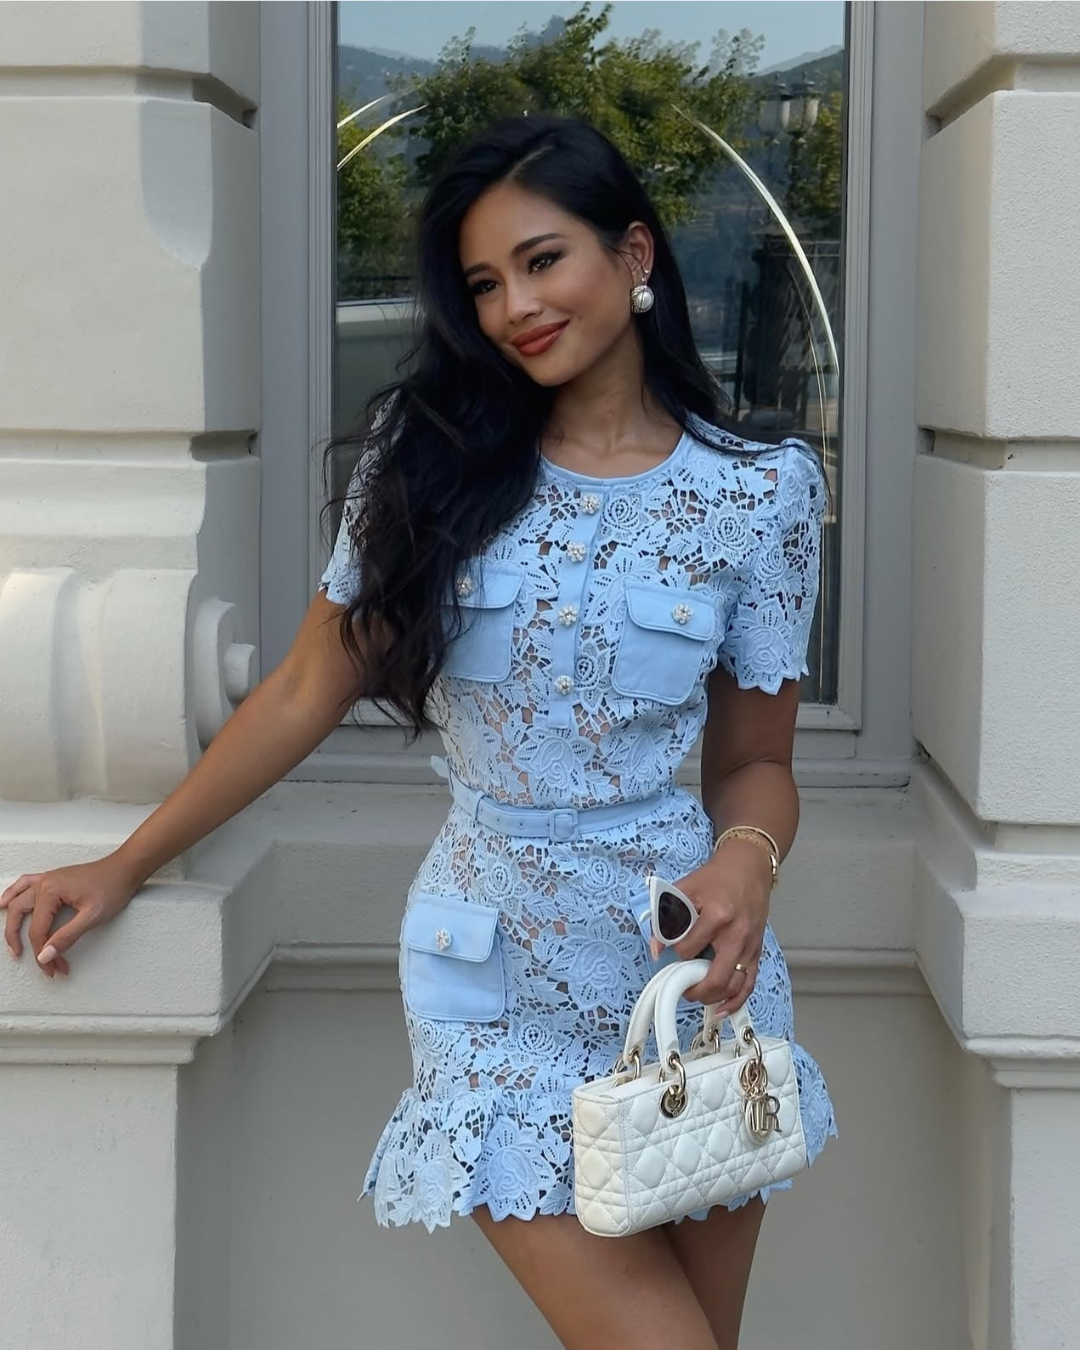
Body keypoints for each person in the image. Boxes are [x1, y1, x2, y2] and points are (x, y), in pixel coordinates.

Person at [1, 113, 837, 1350]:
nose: (515, 307)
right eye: (484, 284)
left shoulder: (760, 494)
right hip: (487, 967)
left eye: (542, 261)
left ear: (634, 255)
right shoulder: (431, 462)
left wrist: (746, 862)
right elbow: (304, 687)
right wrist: (127, 860)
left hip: (689, 973)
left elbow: (758, 761)